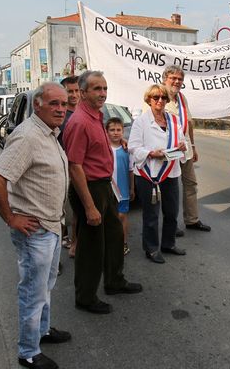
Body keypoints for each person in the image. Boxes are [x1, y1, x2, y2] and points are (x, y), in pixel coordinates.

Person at [0, 82, 72, 369]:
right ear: (38, 105)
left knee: (45, 286)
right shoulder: (27, 136)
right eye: (54, 104)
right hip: (34, 231)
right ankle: (28, 352)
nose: (61, 109)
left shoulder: (49, 132)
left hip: (51, 225)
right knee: (33, 292)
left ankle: (42, 331)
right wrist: (11, 217)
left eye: (64, 104)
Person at [63, 71, 142, 314]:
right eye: (97, 89)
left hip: (104, 185)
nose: (102, 93)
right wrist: (88, 206)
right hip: (89, 188)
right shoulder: (79, 121)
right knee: (91, 246)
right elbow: (75, 166)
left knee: (116, 233)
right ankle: (85, 297)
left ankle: (114, 281)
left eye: (105, 88)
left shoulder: (97, 116)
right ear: (83, 92)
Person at [129, 84, 187, 263]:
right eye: (156, 98)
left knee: (171, 212)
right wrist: (151, 153)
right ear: (149, 100)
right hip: (149, 174)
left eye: (163, 97)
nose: (160, 101)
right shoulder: (141, 122)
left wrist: (182, 146)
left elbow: (182, 141)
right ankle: (151, 248)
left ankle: (168, 244)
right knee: (151, 214)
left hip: (171, 171)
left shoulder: (173, 120)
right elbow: (133, 147)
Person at [162, 65, 211, 235]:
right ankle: (171, 224)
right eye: (173, 78)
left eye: (180, 79)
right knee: (170, 188)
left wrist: (193, 146)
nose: (176, 81)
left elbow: (189, 123)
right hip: (168, 151)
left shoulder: (182, 98)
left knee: (190, 184)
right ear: (165, 78)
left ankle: (192, 220)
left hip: (185, 149)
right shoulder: (158, 96)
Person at [106, 117, 135, 256]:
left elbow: (131, 170)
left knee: (122, 217)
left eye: (118, 130)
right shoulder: (103, 148)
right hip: (107, 191)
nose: (116, 133)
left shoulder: (126, 149)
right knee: (108, 218)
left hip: (123, 190)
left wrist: (132, 188)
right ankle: (109, 243)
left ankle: (123, 243)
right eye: (112, 130)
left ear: (123, 131)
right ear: (106, 132)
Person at [58, 76, 79, 258]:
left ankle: (75, 241)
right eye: (70, 91)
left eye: (77, 90)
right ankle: (63, 238)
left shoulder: (85, 112)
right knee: (63, 208)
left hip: (81, 169)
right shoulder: (59, 115)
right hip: (63, 170)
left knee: (78, 208)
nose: (74, 95)